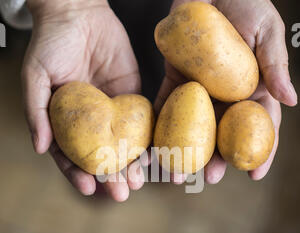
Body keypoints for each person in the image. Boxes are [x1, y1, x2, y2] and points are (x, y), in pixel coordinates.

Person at [1, 0, 298, 202]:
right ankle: (109, 192)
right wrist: (62, 5)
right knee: (124, 162)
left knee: (159, 131)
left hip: (182, 45)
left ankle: (143, 178)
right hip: (102, 23)